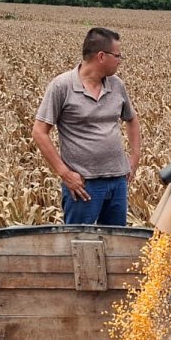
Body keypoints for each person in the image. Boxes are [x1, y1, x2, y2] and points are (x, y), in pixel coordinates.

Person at [33, 27, 141, 225]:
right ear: (101, 56)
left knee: (115, 244)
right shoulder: (62, 86)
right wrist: (64, 173)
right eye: (117, 55)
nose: (120, 60)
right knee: (79, 243)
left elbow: (132, 119)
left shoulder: (117, 85)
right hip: (84, 185)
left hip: (118, 182)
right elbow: (40, 132)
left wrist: (134, 158)